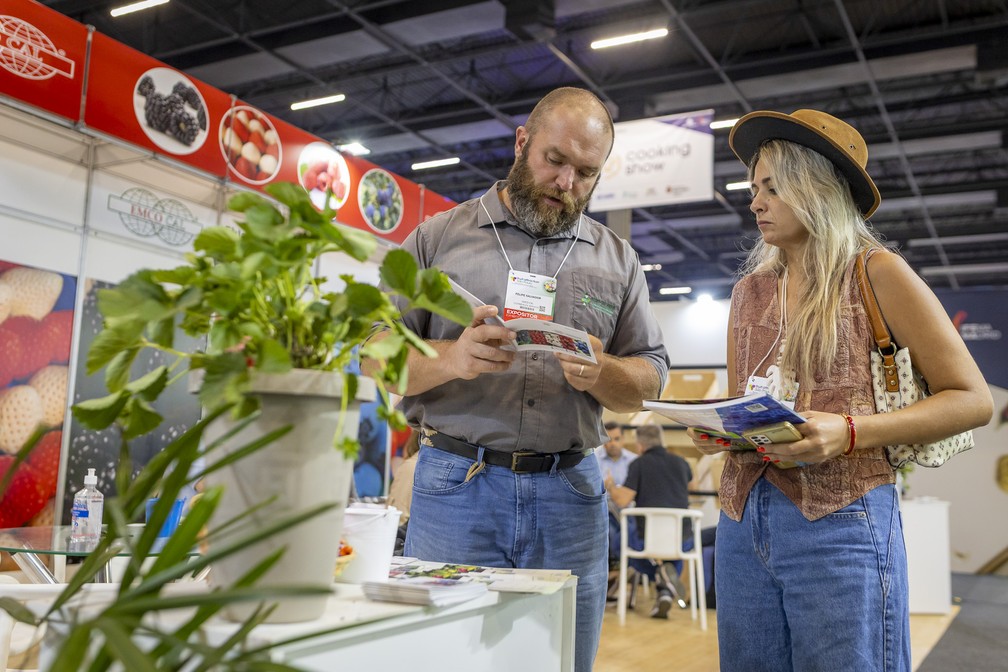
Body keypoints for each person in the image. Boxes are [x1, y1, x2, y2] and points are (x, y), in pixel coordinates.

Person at [364, 87, 670, 672]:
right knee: (445, 658)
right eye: (555, 160)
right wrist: (452, 357)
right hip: (456, 487)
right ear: (521, 142)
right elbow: (374, 353)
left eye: (586, 172)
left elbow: (651, 376)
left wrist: (603, 372)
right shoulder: (437, 239)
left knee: (563, 658)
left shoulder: (618, 260)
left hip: (572, 492)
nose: (567, 183)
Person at [687, 109, 993, 671]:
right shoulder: (749, 291)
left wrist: (852, 431)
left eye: (773, 187)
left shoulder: (877, 273)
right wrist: (722, 429)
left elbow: (973, 398)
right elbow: (743, 398)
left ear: (819, 187)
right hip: (739, 522)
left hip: (843, 522)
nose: (755, 201)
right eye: (755, 187)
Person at [606, 422, 693, 618]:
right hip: (683, 539)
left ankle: (659, 574)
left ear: (640, 445)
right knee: (672, 557)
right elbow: (692, 484)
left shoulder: (639, 464)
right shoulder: (681, 462)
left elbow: (622, 500)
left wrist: (611, 486)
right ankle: (664, 589)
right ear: (662, 441)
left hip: (648, 539)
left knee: (621, 542)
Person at [594, 421, 637, 487]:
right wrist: (602, 487)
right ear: (603, 440)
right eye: (609, 440)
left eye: (617, 439)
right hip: (603, 496)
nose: (613, 444)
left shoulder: (634, 460)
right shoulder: (594, 460)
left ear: (623, 439)